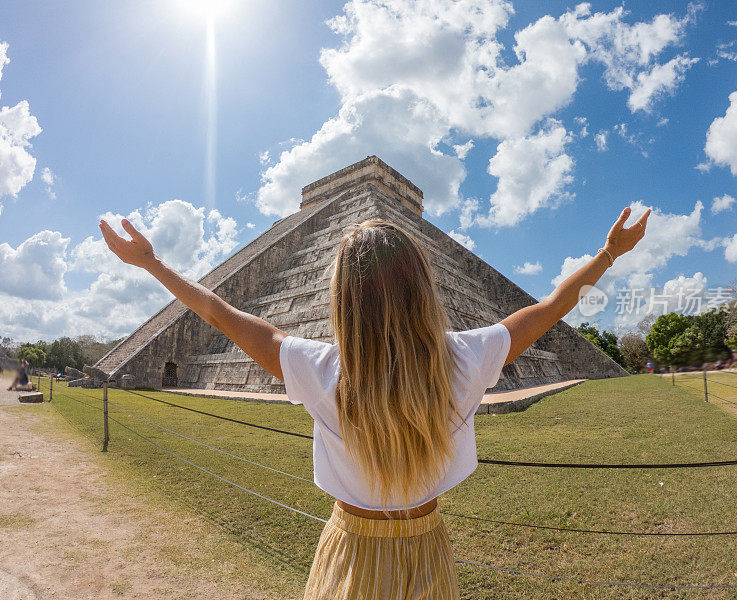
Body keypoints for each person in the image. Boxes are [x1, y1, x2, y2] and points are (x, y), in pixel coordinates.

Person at [99, 205, 649, 599]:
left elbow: (221, 314)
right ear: (421, 287)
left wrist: (152, 263)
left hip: (353, 549)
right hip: (426, 546)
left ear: (342, 297)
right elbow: (553, 306)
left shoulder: (322, 369)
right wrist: (608, 253)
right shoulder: (465, 358)